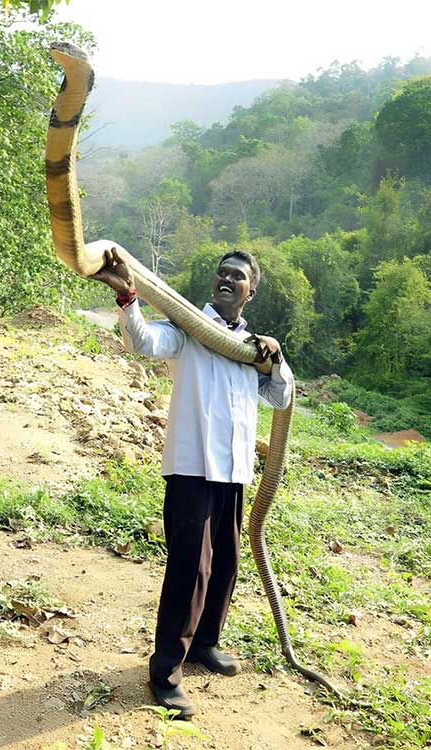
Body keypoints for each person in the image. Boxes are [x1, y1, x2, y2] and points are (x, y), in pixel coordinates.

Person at [91, 245, 293, 718]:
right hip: (191, 468)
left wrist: (275, 358)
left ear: (251, 291)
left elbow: (282, 398)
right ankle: (165, 674)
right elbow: (142, 341)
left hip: (234, 471)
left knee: (224, 562)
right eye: (222, 272)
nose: (227, 279)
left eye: (237, 275)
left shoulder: (253, 348)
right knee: (190, 568)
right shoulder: (187, 328)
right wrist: (128, 299)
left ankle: (204, 644)